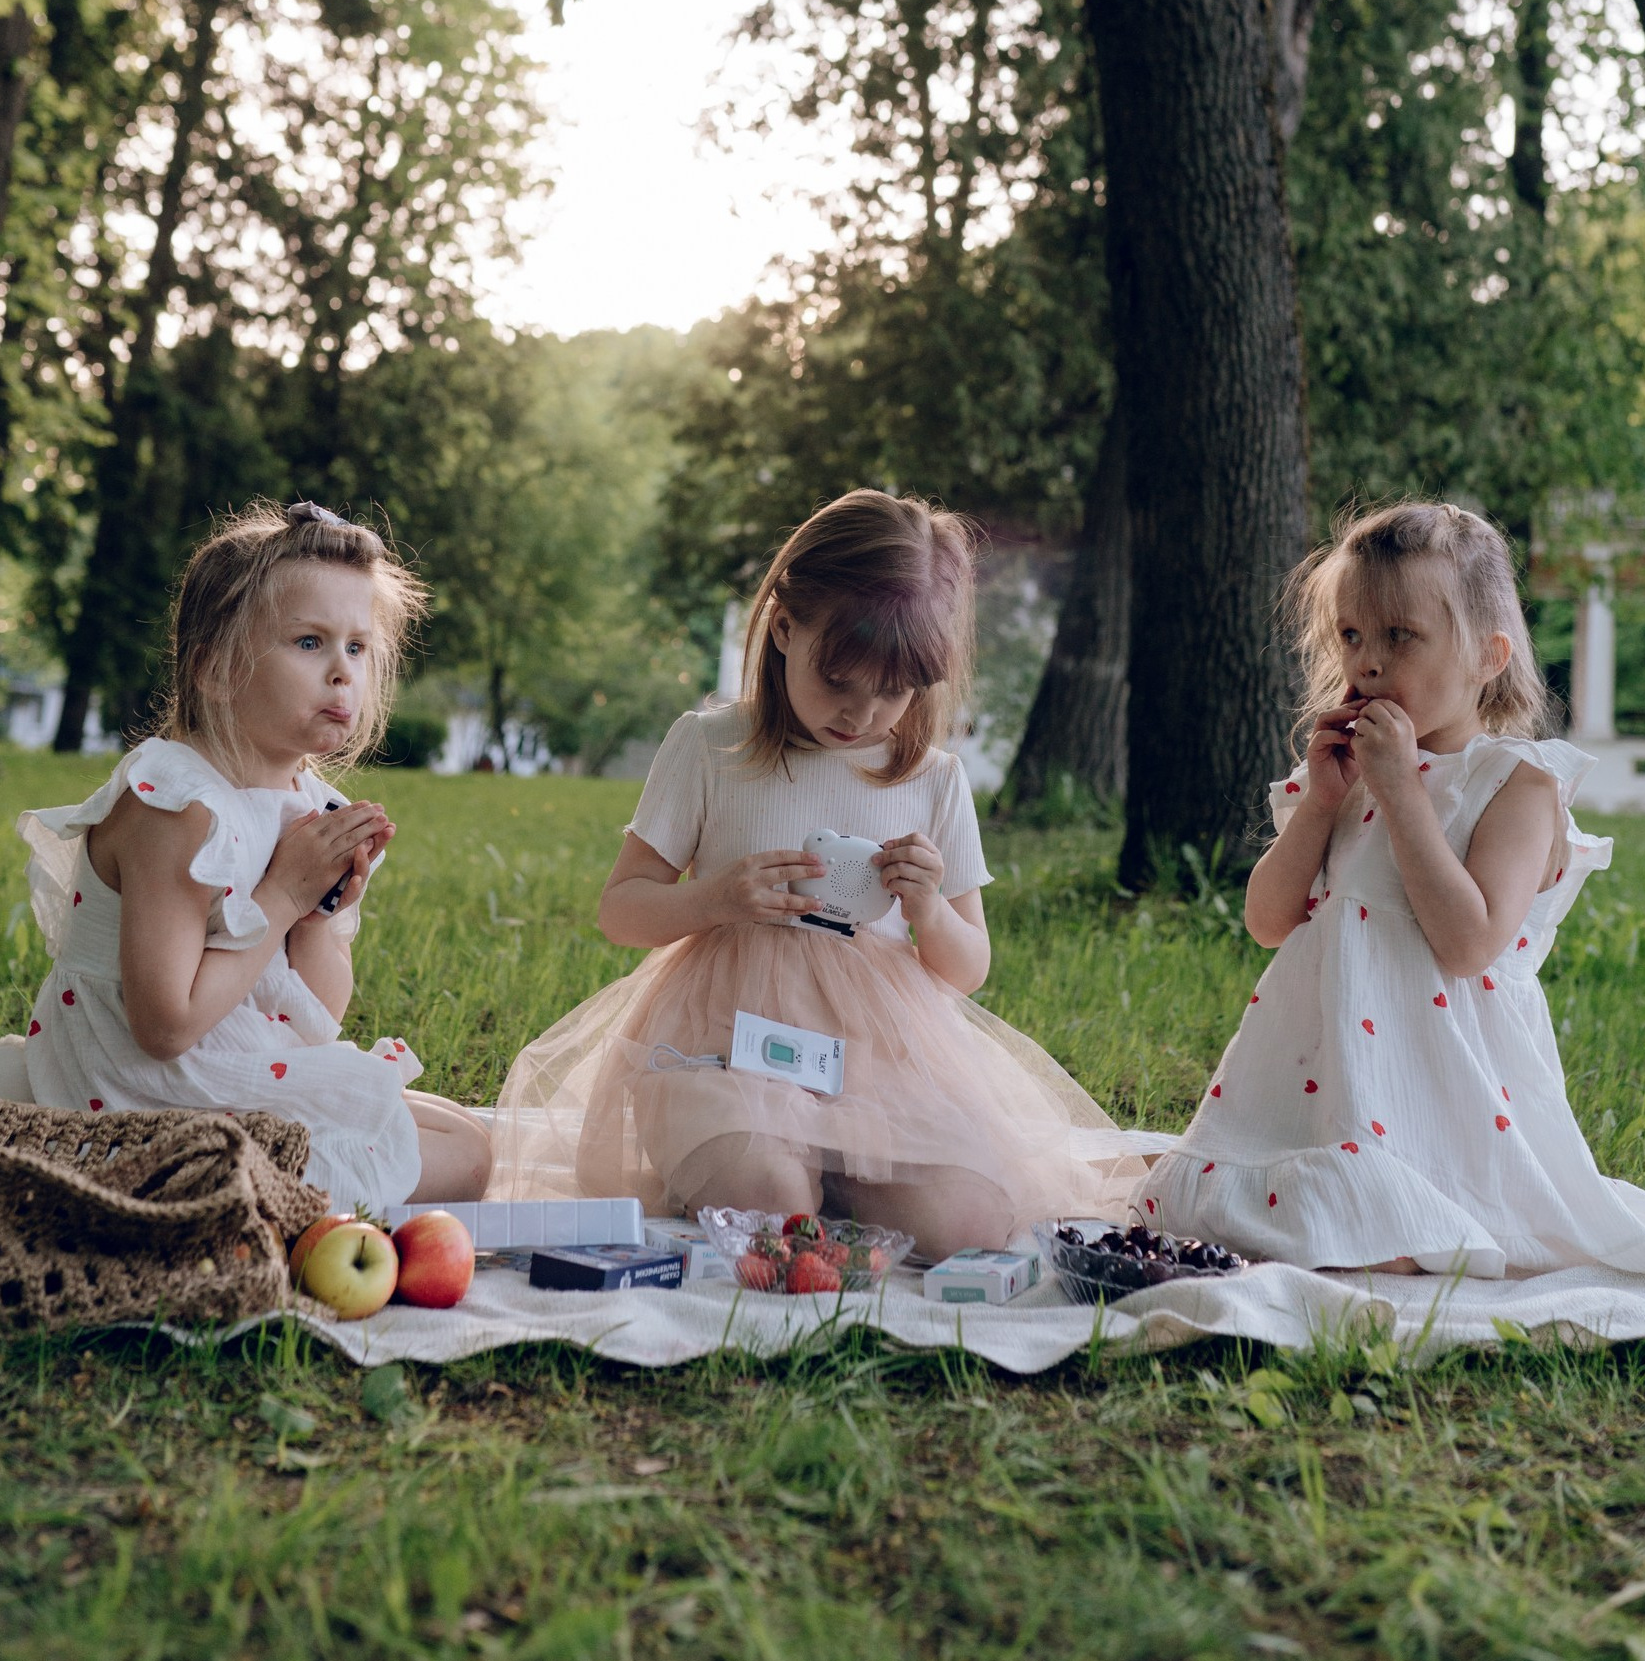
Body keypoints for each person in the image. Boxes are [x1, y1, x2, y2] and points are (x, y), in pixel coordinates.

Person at [492, 490, 1143, 1260]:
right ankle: (778, 1169)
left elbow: (969, 967)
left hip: (875, 1059)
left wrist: (928, 908)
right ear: (783, 626)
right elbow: (621, 910)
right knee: (769, 1205)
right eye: (838, 680)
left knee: (965, 1227)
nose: (862, 715)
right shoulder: (713, 747)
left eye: (893, 692)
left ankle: (838, 1176)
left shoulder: (931, 779)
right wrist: (716, 898)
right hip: (723, 1044)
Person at [1141, 499, 1645, 1278]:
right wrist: (1323, 806)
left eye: (1399, 636)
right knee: (1224, 1216)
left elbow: (1469, 943)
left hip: (1440, 1093)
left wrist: (1403, 794)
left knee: (1382, 1237)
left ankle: (1400, 1211)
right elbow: (1268, 921)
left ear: (1488, 655)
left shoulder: (1514, 784)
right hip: (1317, 1080)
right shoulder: (1342, 776)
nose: (1366, 662)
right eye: (1350, 636)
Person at [20, 501, 490, 1210]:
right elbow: (164, 1027)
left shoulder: (306, 803)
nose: (342, 674)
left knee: (463, 1131)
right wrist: (280, 896)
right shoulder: (175, 805)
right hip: (136, 1087)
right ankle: (187, 1200)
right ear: (213, 669)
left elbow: (315, 1016)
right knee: (460, 1158)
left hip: (229, 1061)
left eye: (357, 648)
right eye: (309, 642)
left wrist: (318, 917)